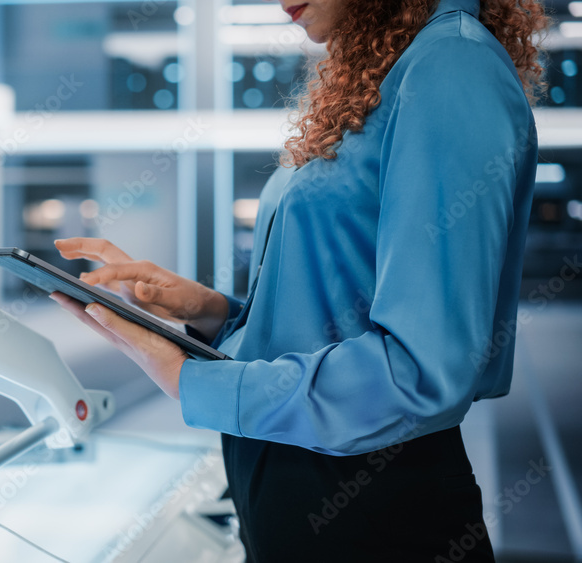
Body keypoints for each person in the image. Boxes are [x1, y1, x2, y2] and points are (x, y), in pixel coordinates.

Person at [49, 0, 549, 560]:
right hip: (300, 497)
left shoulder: (451, 66)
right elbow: (330, 314)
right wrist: (213, 310)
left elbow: (421, 371)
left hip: (373, 512)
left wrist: (186, 378)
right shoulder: (388, 67)